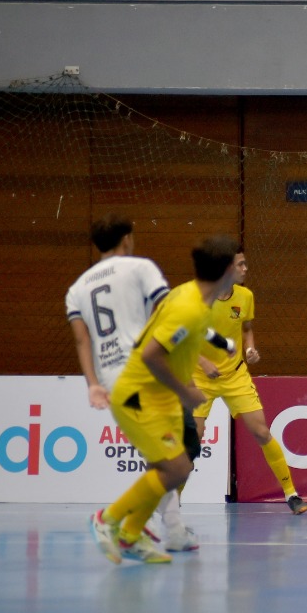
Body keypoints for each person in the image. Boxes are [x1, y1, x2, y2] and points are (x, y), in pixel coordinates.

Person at [88, 235, 239, 564]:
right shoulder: (189, 308)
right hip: (139, 396)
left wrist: (221, 343)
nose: (243, 269)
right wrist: (187, 391)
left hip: (163, 397)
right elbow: (152, 355)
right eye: (239, 265)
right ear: (228, 270)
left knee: (172, 470)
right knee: (175, 468)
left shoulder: (189, 294)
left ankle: (130, 536)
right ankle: (108, 519)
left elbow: (188, 333)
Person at [66, 213, 199, 553]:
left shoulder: (77, 288)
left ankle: (167, 529)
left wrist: (92, 383)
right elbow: (170, 315)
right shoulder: (141, 268)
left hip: (112, 379)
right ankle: (118, 521)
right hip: (144, 374)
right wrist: (197, 358)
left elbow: (83, 342)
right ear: (127, 238)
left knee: (163, 459)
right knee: (177, 460)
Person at [192, 249, 307, 516]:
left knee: (261, 432)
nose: (246, 269)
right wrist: (202, 363)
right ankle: (172, 504)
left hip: (235, 375)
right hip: (200, 378)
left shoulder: (245, 296)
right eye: (241, 264)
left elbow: (246, 329)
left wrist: (250, 349)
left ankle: (291, 494)